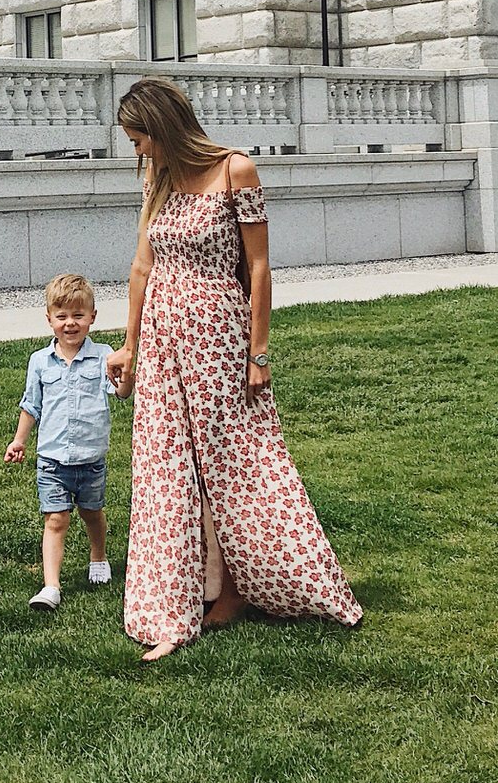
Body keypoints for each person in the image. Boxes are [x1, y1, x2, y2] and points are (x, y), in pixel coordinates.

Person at [105, 77, 362, 661]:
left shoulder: (236, 171)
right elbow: (143, 267)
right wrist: (130, 345)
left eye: (140, 138)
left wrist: (258, 353)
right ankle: (185, 593)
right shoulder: (157, 180)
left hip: (219, 335)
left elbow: (262, 267)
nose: (138, 151)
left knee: (237, 463)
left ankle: (261, 582)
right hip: (165, 341)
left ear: (164, 127)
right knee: (168, 467)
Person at [4, 272, 134, 611]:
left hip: (91, 459)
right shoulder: (39, 362)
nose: (70, 323)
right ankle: (51, 587)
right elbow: (31, 405)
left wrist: (127, 377)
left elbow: (119, 394)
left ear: (92, 317)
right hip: (52, 459)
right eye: (62, 316)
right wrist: (19, 441)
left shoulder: (104, 356)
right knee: (56, 519)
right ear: (49, 319)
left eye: (78, 316)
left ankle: (98, 556)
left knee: (92, 513)